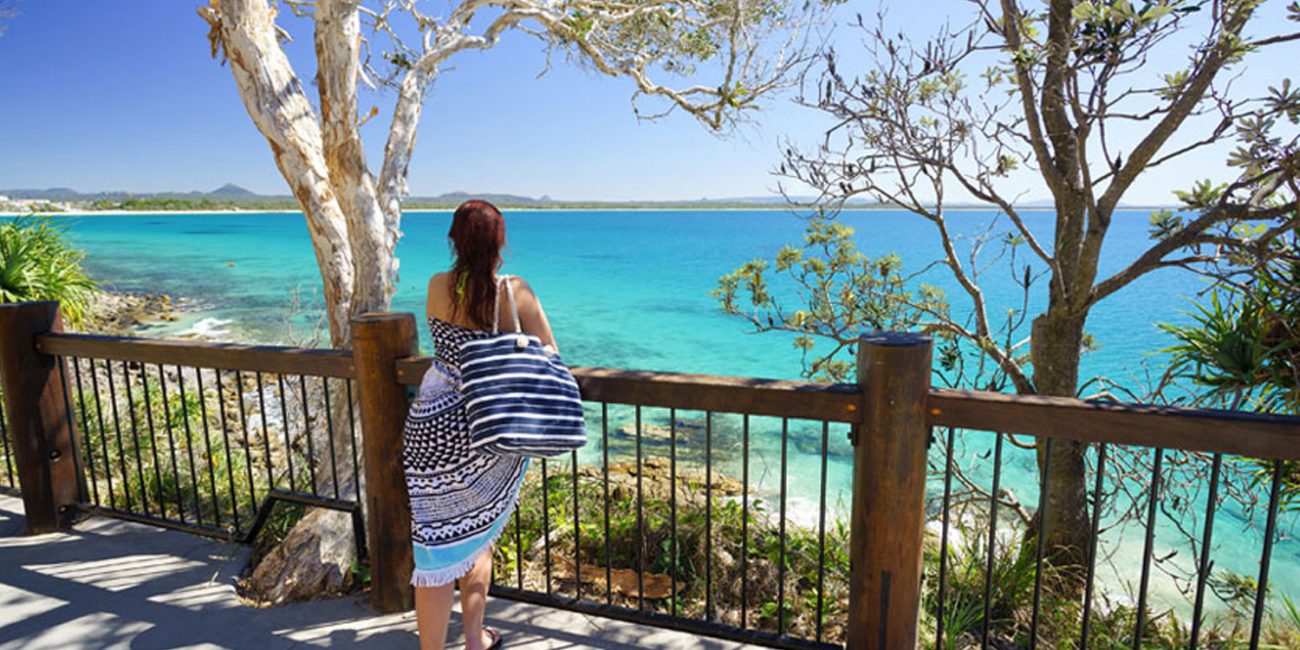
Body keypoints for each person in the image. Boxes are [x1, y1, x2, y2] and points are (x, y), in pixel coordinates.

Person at [404, 199, 558, 650]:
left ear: (454, 240)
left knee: (433, 546)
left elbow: (447, 347)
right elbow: (551, 356)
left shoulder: (437, 286)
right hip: (484, 430)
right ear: (499, 242)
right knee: (479, 539)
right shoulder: (515, 292)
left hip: (431, 425)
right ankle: (475, 640)